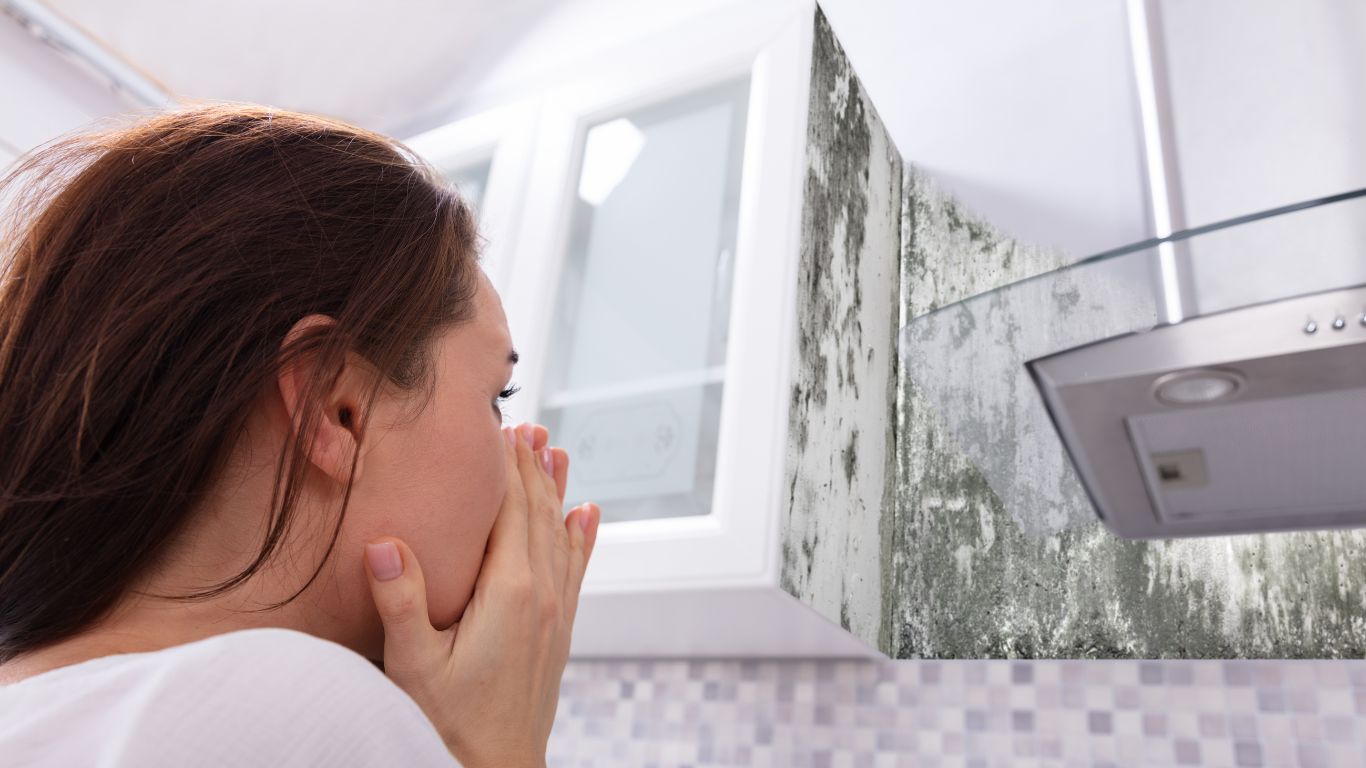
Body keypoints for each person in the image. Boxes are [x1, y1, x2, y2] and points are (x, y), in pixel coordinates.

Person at [0, 103, 600, 767]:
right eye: (497, 398)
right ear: (336, 407)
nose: (526, 459)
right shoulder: (297, 706)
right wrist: (500, 749)